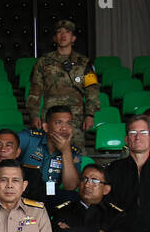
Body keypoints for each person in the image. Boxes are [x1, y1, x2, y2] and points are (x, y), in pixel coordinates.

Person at [26, 19, 99, 153]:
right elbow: (35, 90)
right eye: (59, 32)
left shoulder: (84, 62)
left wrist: (90, 115)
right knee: (48, 151)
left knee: (76, 153)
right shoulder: (43, 62)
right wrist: (34, 115)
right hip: (50, 116)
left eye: (67, 32)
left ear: (73, 38)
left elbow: (92, 90)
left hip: (75, 118)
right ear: (54, 38)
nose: (63, 35)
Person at [19, 105, 81, 199]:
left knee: (72, 197)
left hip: (51, 198)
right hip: (23, 195)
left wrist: (66, 152)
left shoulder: (73, 152)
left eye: (68, 123)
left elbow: (71, 186)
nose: (64, 128)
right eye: (58, 123)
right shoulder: (29, 139)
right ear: (46, 127)